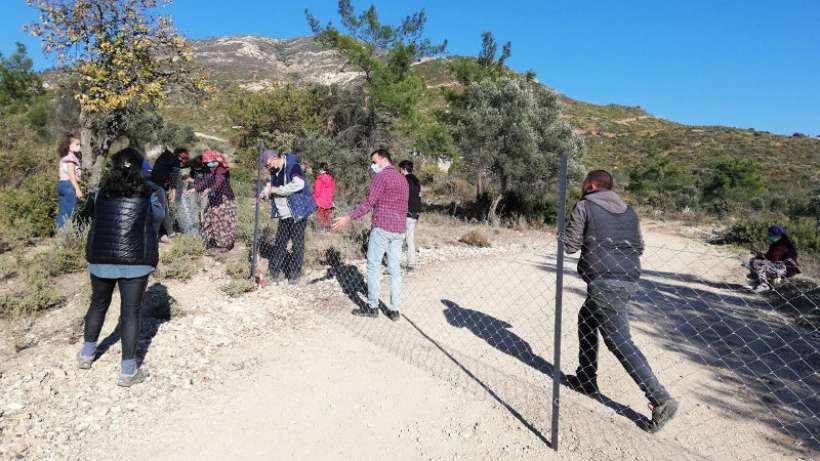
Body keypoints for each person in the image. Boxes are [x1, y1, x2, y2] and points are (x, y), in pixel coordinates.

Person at [563, 170, 678, 433]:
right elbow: (638, 248)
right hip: (627, 278)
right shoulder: (629, 211)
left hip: (604, 281)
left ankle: (661, 399)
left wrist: (564, 233)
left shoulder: (585, 206)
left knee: (619, 341)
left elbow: (570, 246)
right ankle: (586, 378)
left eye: (583, 184)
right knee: (586, 319)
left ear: (591, 185)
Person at [76, 147, 164, 387]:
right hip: (136, 261)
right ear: (139, 166)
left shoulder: (99, 192)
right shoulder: (150, 192)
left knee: (98, 303)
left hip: (101, 258)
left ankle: (86, 355)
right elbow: (158, 218)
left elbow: (88, 215)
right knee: (130, 313)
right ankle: (127, 372)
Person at [333, 149, 409, 321]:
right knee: (394, 269)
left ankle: (372, 307)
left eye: (374, 162)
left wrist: (349, 217)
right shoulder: (403, 179)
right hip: (399, 229)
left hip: (382, 226)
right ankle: (394, 310)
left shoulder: (381, 177)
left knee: (374, 266)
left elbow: (369, 203)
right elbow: (404, 206)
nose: (373, 166)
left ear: (383, 159)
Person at [258, 150, 317, 283]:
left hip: (297, 212)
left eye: (267, 165)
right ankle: (274, 273)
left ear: (274, 158)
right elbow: (270, 185)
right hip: (284, 214)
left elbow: (299, 184)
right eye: (266, 166)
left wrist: (278, 190)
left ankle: (295, 275)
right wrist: (264, 193)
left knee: (297, 244)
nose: (267, 168)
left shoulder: (292, 166)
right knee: (280, 243)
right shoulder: (274, 171)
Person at [189, 151, 236, 252]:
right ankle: (207, 242)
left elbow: (219, 181)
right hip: (214, 200)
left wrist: (209, 190)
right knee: (208, 218)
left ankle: (224, 246)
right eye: (207, 163)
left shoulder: (221, 169)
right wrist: (195, 189)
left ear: (217, 161)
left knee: (223, 222)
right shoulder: (209, 171)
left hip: (224, 201)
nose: (210, 165)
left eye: (212, 163)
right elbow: (205, 181)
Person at [746, 225, 800, 293]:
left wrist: (760, 255)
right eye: (769, 234)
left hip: (786, 268)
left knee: (757, 263)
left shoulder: (782, 245)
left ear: (778, 235)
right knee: (754, 261)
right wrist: (759, 255)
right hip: (779, 265)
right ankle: (757, 282)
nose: (769, 236)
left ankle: (764, 285)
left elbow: (774, 259)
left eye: (771, 234)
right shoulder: (776, 243)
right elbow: (770, 257)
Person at [149, 149, 183, 241]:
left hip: (153, 184)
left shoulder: (162, 158)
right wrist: (173, 191)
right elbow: (174, 176)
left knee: (162, 210)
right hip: (157, 186)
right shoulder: (175, 159)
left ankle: (169, 233)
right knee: (160, 212)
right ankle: (154, 235)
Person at [56, 134, 83, 230]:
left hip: (62, 185)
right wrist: (77, 189)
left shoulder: (64, 157)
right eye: (77, 144)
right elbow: (71, 174)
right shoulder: (71, 158)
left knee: (63, 211)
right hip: (69, 186)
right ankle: (64, 235)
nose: (79, 147)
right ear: (69, 145)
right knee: (69, 212)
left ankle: (59, 233)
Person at [398, 160, 421, 271]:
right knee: (410, 238)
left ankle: (394, 264)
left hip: (406, 213)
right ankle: (411, 263)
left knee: (398, 239)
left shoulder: (404, 179)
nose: (399, 171)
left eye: (400, 169)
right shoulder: (416, 180)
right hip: (415, 214)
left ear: (404, 169)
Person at [312, 162, 336, 233]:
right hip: (328, 202)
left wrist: (313, 199)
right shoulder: (331, 179)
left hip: (320, 202)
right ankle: (328, 232)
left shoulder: (319, 179)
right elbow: (333, 190)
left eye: (320, 168)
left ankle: (321, 232)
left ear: (322, 169)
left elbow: (317, 191)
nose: (319, 170)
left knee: (320, 218)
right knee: (327, 217)